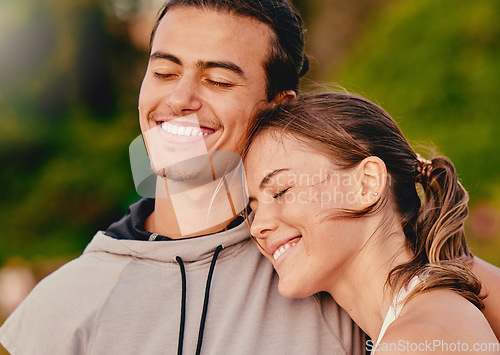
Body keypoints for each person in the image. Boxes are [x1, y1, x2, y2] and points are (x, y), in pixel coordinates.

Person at [0, 1, 365, 354]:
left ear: (279, 108)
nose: (179, 99)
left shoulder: (335, 275)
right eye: (164, 73)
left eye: (219, 81)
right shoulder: (61, 307)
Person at [243, 91, 500, 353]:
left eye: (280, 191)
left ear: (367, 183)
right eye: (252, 209)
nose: (256, 227)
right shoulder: (431, 318)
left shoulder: (416, 339)